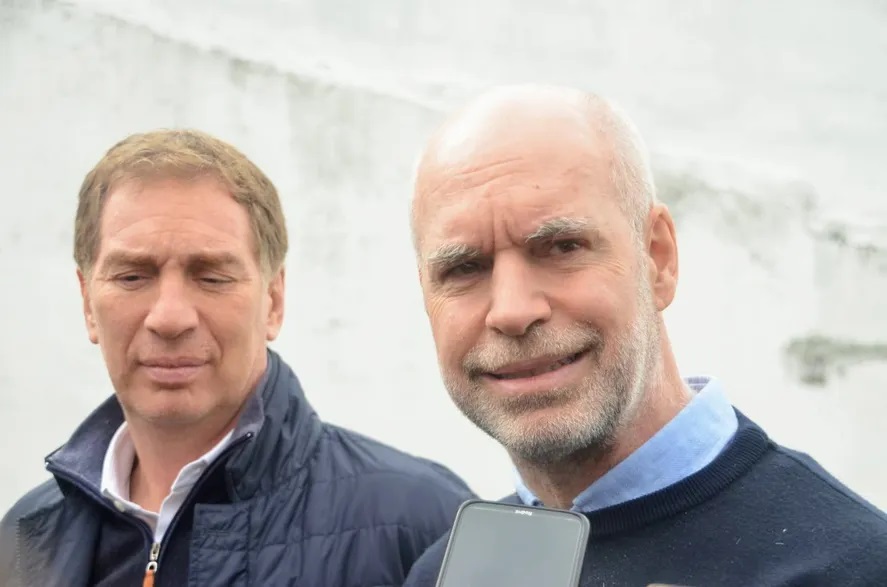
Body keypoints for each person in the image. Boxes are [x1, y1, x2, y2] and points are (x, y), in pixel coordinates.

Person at [403, 84, 887, 586]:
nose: (512, 310)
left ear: (658, 257)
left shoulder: (855, 568)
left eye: (562, 247)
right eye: (463, 268)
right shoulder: (439, 574)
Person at [0, 129, 475, 587]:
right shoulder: (25, 538)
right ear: (88, 303)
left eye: (211, 277)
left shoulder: (423, 526)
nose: (169, 318)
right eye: (132, 277)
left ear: (274, 301)